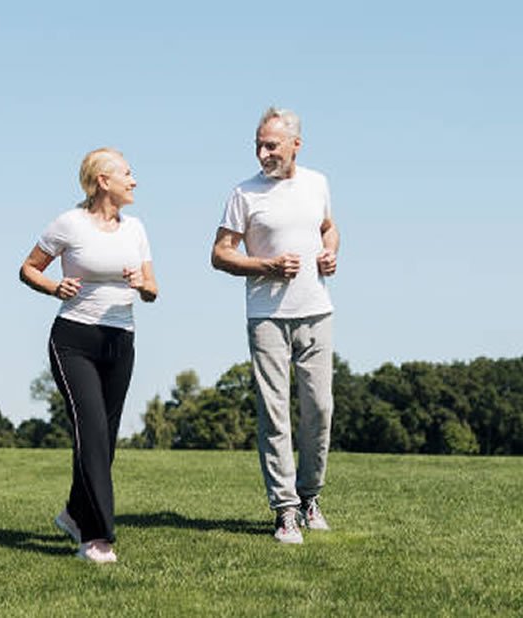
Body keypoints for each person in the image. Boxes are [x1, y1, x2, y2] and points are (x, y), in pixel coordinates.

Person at [19, 147, 157, 563]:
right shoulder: (69, 224)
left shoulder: (136, 229)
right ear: (103, 180)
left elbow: (153, 289)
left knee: (105, 439)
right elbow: (28, 267)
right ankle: (96, 538)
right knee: (92, 429)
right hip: (74, 340)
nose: (134, 181)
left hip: (121, 340)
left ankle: (74, 514)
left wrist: (141, 283)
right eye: (128, 174)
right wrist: (52, 287)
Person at [211, 107, 340, 544]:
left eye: (272, 146)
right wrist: (264, 264)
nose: (263, 153)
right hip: (266, 315)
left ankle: (310, 497)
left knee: (320, 408)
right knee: (275, 412)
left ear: (295, 146)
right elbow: (220, 253)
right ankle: (284, 509)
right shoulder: (244, 194)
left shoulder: (317, 183)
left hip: (317, 309)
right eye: (259, 145)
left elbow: (329, 228)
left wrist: (330, 252)